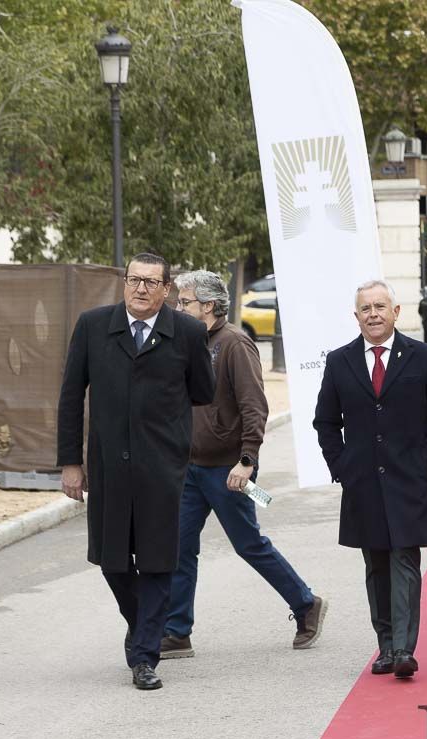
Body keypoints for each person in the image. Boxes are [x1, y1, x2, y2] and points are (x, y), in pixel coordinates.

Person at [57, 253, 216, 690]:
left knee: (158, 561)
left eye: (151, 282)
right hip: (108, 466)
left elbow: (203, 390)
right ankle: (142, 623)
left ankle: (144, 656)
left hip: (161, 469)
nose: (141, 288)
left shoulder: (186, 332)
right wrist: (72, 462)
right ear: (124, 284)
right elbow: (71, 396)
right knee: (112, 561)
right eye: (134, 280)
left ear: (166, 289)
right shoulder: (93, 325)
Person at [160, 271, 324, 660]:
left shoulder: (234, 344)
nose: (177, 308)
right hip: (190, 468)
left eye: (184, 302)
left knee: (249, 545)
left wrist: (247, 460)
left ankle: (306, 604)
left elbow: (255, 406)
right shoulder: (188, 343)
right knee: (179, 548)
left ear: (210, 306)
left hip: (227, 470)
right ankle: (177, 631)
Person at [313, 280, 427, 679]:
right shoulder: (340, 361)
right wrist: (341, 465)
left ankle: (403, 650)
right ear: (356, 316)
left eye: (381, 306)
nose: (373, 314)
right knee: (377, 564)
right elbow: (326, 421)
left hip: (409, 480)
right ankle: (385, 644)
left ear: (396, 312)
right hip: (362, 482)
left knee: (404, 562)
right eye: (366, 308)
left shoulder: (423, 357)